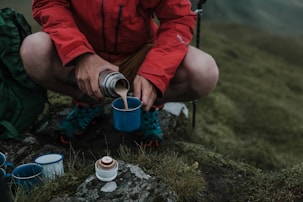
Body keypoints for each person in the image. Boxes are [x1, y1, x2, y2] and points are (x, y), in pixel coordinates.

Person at [20, 0, 219, 147]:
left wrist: (154, 73)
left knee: (203, 72)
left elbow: (177, 19)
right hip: (86, 52)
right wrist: (80, 54)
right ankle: (88, 101)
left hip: (140, 55)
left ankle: (148, 105)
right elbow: (49, 3)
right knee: (34, 50)